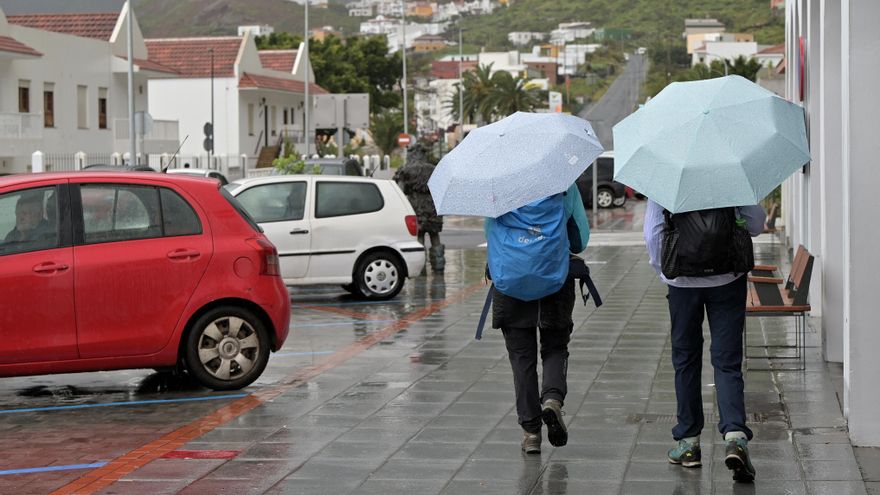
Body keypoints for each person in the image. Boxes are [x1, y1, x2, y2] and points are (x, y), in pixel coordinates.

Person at [644, 199, 765, 482]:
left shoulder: (667, 178)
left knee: (685, 360)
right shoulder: (730, 175)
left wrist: (665, 272)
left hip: (682, 283)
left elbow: (653, 233)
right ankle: (735, 437)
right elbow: (757, 224)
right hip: (728, 279)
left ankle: (688, 443)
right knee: (727, 362)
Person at [487, 183, 590, 454]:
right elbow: (581, 240)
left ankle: (531, 433)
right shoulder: (564, 185)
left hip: (510, 284)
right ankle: (553, 400)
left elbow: (492, 236)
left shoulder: (498, 185)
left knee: (522, 359)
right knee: (555, 346)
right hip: (554, 280)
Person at [393, 143, 445, 272]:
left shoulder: (406, 170)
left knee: (419, 237)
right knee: (435, 237)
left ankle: (421, 269)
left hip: (416, 209)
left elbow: (400, 191)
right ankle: (438, 267)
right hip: (433, 209)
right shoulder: (433, 169)